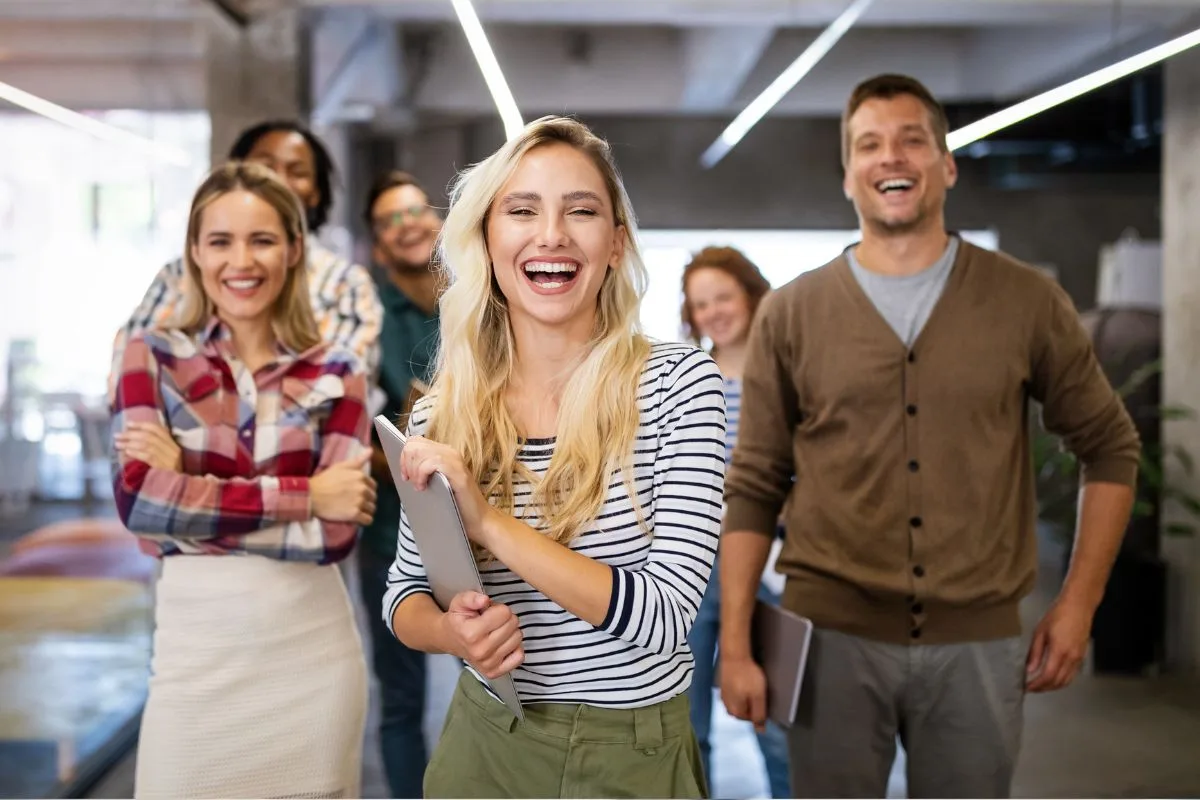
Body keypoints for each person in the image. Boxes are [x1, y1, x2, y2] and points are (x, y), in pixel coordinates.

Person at [719, 73, 1141, 799]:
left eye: (913, 140)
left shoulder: (1025, 301)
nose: (892, 158)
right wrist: (736, 643)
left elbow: (1112, 447)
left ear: (946, 166)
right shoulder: (792, 314)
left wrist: (1077, 606)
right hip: (831, 641)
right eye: (870, 145)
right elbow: (754, 487)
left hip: (978, 644)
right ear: (848, 175)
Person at [381, 115, 727, 799]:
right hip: (485, 743)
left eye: (582, 211)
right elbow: (403, 595)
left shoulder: (680, 387)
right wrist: (455, 636)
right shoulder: (440, 414)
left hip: (633, 753)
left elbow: (664, 618)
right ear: (487, 236)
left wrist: (488, 524)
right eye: (522, 210)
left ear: (616, 243)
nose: (552, 235)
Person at [109, 162, 375, 799]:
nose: (241, 261)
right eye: (220, 241)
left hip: (311, 661)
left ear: (292, 248)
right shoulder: (152, 353)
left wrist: (189, 494)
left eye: (261, 240)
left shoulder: (339, 369)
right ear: (196, 253)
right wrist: (306, 494)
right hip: (194, 663)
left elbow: (337, 534)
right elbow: (142, 503)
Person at [112, 119, 382, 380]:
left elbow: (337, 391)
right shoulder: (178, 274)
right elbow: (130, 376)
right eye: (265, 166)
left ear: (316, 192)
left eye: (297, 172)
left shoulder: (347, 284)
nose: (241, 263)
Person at [680, 246, 791, 799]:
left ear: (750, 293)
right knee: (686, 724)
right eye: (701, 304)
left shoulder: (787, 374)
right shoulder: (687, 380)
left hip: (773, 563)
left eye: (723, 296)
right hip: (696, 565)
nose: (714, 312)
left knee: (775, 721)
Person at [359, 169, 443, 798]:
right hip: (392, 533)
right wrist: (407, 448)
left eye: (416, 209)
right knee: (400, 698)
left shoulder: (487, 302)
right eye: (391, 219)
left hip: (491, 526)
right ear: (380, 246)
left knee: (504, 682)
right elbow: (346, 440)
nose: (408, 222)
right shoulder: (366, 320)